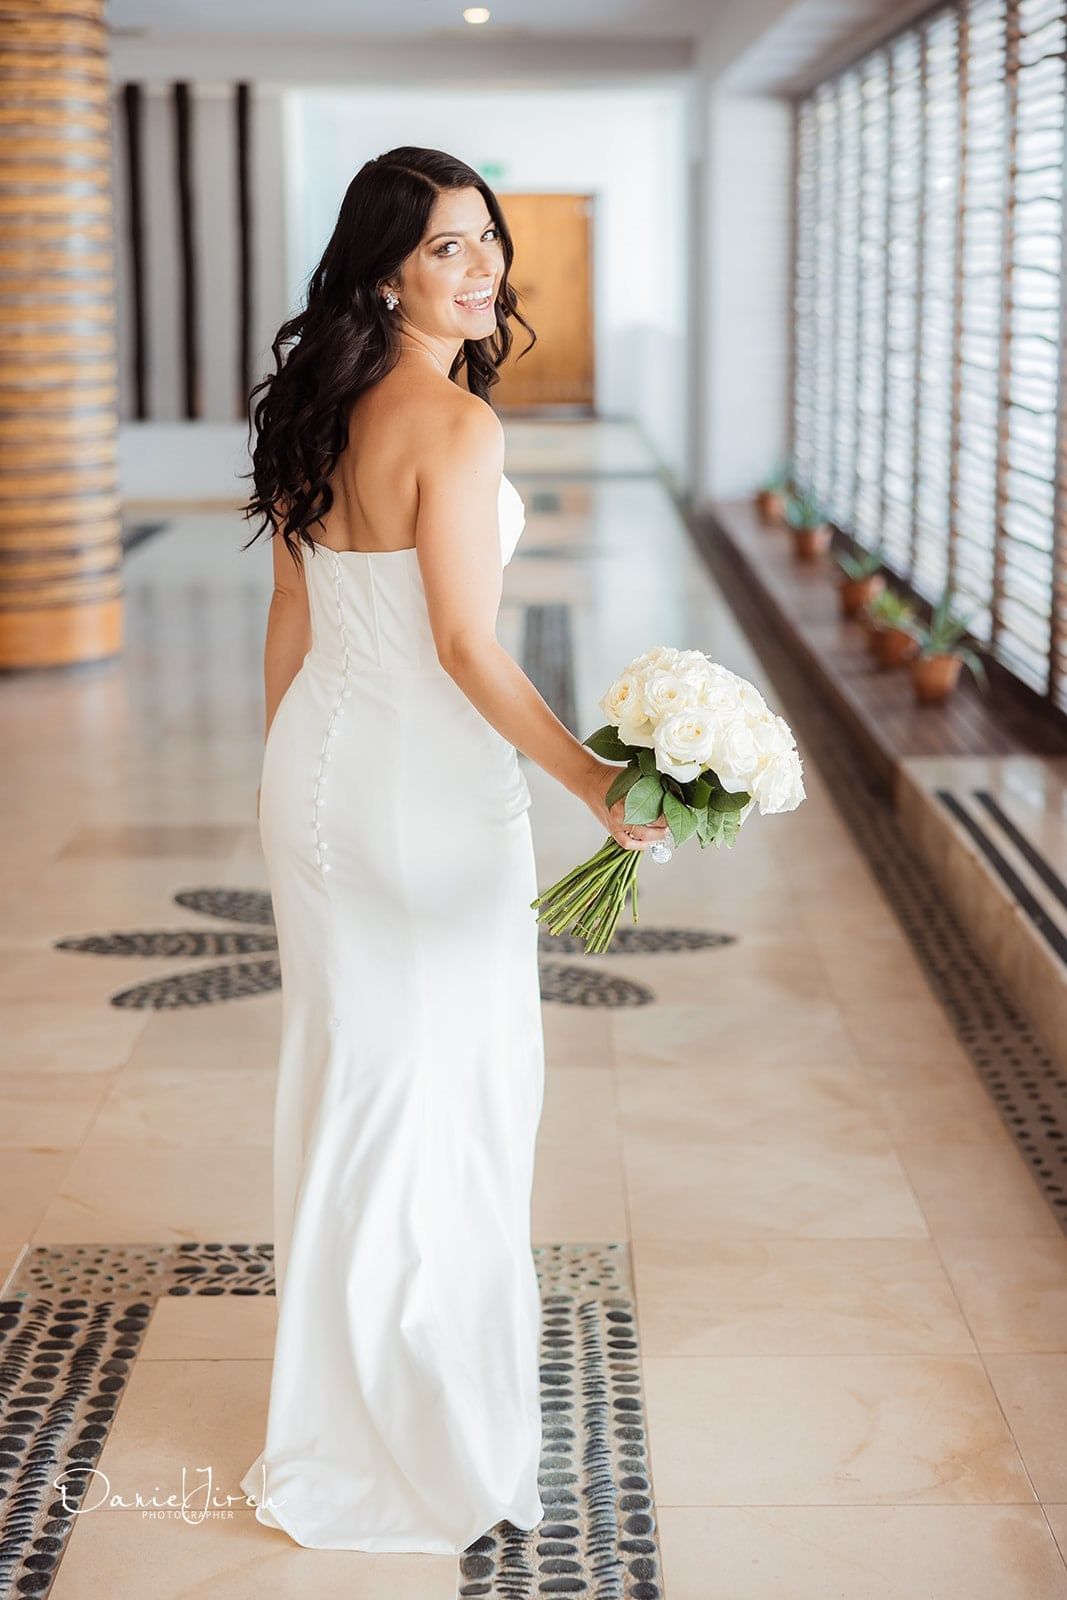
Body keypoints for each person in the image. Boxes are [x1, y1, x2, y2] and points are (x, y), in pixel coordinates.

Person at [237, 145, 668, 1555]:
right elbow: (470, 649)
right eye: (446, 250)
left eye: (487, 241)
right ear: (383, 271)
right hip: (424, 795)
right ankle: (420, 1437)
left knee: (356, 1091)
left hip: (320, 777)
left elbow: (291, 637)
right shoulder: (459, 431)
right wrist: (595, 783)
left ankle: (345, 1415)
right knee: (452, 1105)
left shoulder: (317, 408)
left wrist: (281, 782)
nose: (483, 269)